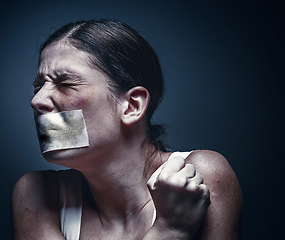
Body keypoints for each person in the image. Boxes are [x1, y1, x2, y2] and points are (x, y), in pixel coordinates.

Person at [12, 20, 243, 240]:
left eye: (66, 84)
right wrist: (170, 230)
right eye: (38, 86)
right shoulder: (37, 194)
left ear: (132, 106)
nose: (37, 100)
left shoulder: (198, 174)